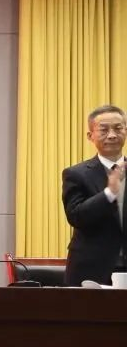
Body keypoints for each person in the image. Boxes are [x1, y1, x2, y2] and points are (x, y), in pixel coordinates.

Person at [62, 105, 127, 286]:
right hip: (92, 268)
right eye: (104, 130)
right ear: (90, 136)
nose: (112, 135)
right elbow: (76, 216)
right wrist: (109, 193)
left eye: (118, 128)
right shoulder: (76, 174)